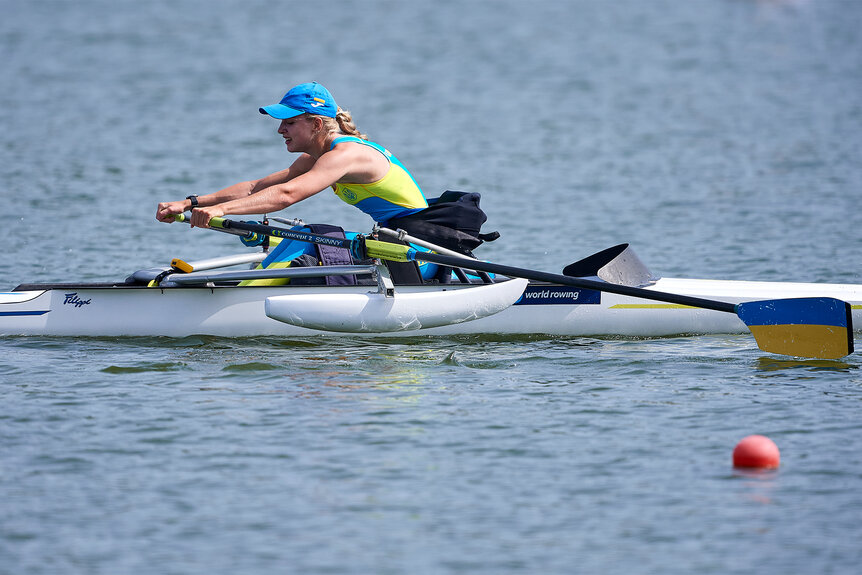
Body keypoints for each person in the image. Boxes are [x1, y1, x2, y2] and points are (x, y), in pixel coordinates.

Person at [155, 82, 428, 229]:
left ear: (316, 125)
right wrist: (190, 202)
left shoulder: (346, 155)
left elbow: (287, 195)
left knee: (308, 237)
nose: (280, 130)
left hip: (424, 248)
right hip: (396, 239)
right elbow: (256, 188)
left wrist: (220, 210)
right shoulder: (319, 156)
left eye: (290, 122)